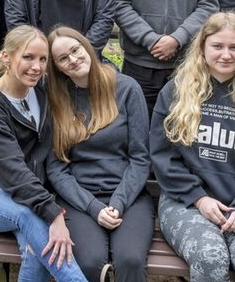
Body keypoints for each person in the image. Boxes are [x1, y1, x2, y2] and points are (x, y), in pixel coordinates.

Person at [150, 12, 235, 282]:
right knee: (208, 254)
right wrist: (198, 198)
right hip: (187, 202)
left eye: (234, 47)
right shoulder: (176, 92)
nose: (226, 54)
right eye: (217, 46)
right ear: (202, 48)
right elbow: (163, 157)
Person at [0, 25, 88, 282]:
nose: (36, 67)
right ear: (7, 57)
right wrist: (54, 215)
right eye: (28, 57)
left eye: (42, 59)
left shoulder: (41, 91)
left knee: (38, 249)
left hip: (27, 195)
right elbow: (13, 171)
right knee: (33, 218)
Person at [46, 26, 153, 282]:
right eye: (63, 58)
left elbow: (140, 158)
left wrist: (118, 203)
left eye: (75, 50)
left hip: (129, 195)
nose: (73, 59)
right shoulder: (56, 100)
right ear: (57, 67)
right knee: (88, 262)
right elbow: (56, 167)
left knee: (130, 259)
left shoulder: (126, 89)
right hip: (79, 199)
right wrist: (94, 207)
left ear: (88, 47)